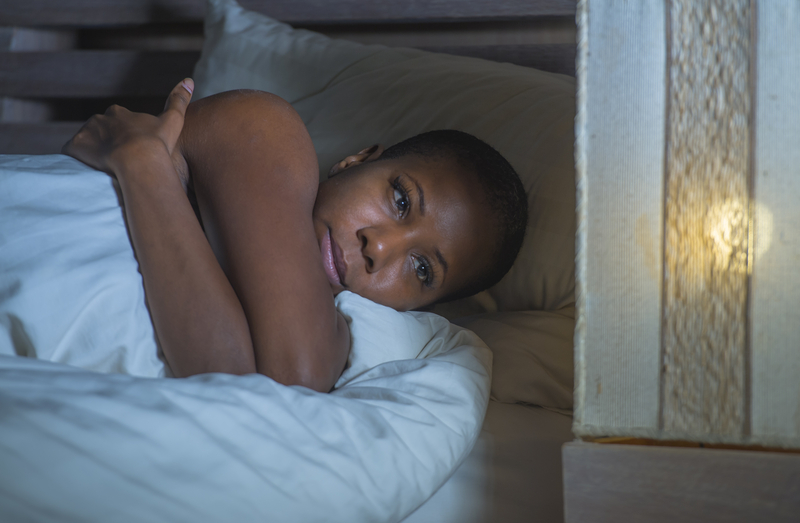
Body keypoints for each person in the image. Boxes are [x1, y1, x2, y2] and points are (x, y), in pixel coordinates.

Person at [63, 79, 527, 392]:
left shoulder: (341, 342)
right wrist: (145, 166)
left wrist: (144, 167)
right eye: (401, 200)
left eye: (422, 269)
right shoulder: (267, 127)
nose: (379, 247)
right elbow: (277, 379)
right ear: (357, 160)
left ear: (417, 309)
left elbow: (257, 387)